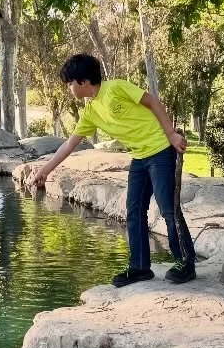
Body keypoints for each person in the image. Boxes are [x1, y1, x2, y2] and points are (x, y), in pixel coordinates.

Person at [28, 53, 194, 286]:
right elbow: (69, 144)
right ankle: (139, 267)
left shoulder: (116, 88)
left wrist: (171, 133)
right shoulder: (91, 111)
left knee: (167, 208)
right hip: (139, 157)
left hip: (160, 150)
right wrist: (44, 170)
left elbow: (152, 102)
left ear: (83, 82)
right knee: (134, 211)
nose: (69, 89)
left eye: (70, 84)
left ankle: (185, 262)